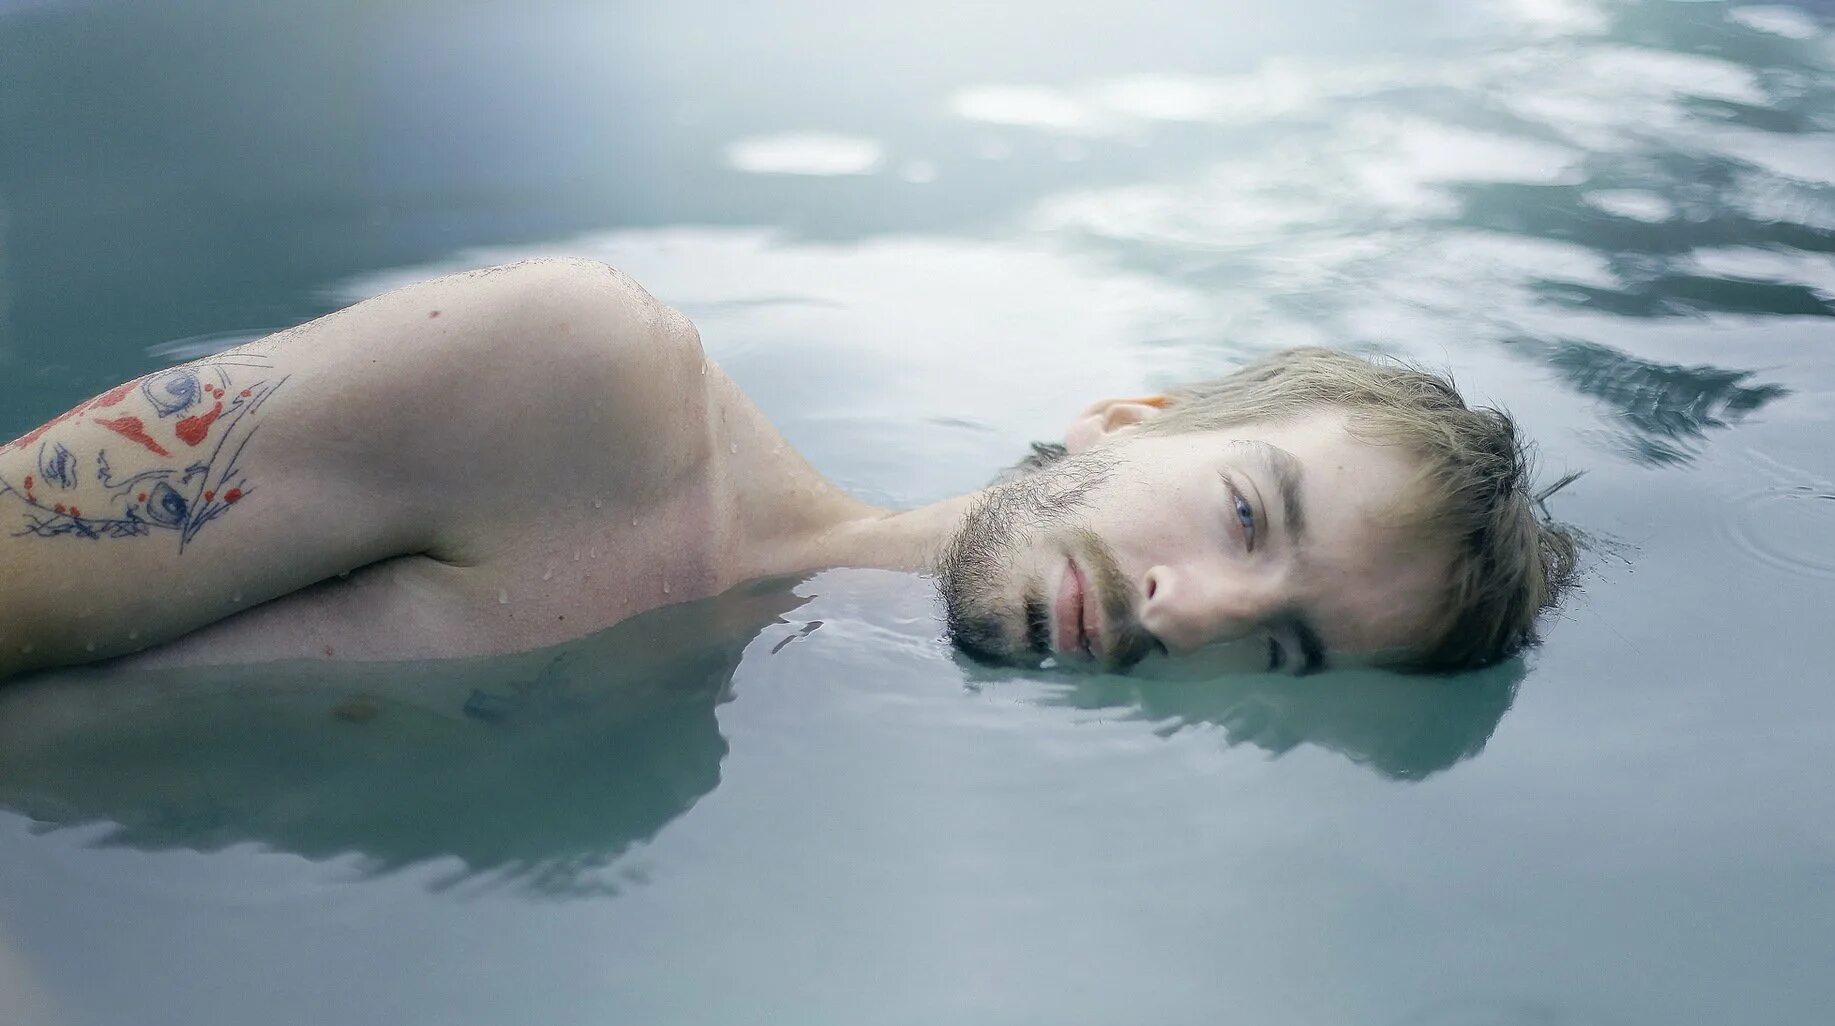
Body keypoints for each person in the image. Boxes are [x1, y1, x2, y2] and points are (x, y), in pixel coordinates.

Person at [0, 257, 1575, 685]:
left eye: (1288, 648)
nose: (1200, 611)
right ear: (1124, 418)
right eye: (1249, 515)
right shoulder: (579, 388)